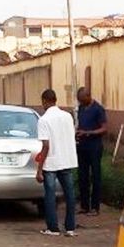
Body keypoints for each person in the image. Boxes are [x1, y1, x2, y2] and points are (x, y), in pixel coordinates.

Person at [36, 89, 78, 237]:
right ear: (55, 99)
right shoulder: (68, 117)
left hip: (51, 163)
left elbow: (46, 146)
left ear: (44, 101)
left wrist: (39, 169)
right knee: (70, 194)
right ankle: (70, 227)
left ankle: (53, 228)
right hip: (67, 160)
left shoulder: (44, 120)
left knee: (50, 195)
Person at [76, 87, 108, 216]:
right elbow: (80, 125)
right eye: (79, 101)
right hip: (82, 147)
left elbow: (104, 129)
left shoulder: (98, 109)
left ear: (88, 96)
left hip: (94, 146)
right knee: (82, 177)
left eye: (82, 100)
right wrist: (78, 133)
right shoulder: (81, 109)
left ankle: (95, 207)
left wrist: (88, 133)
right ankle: (84, 206)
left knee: (95, 176)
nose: (81, 103)